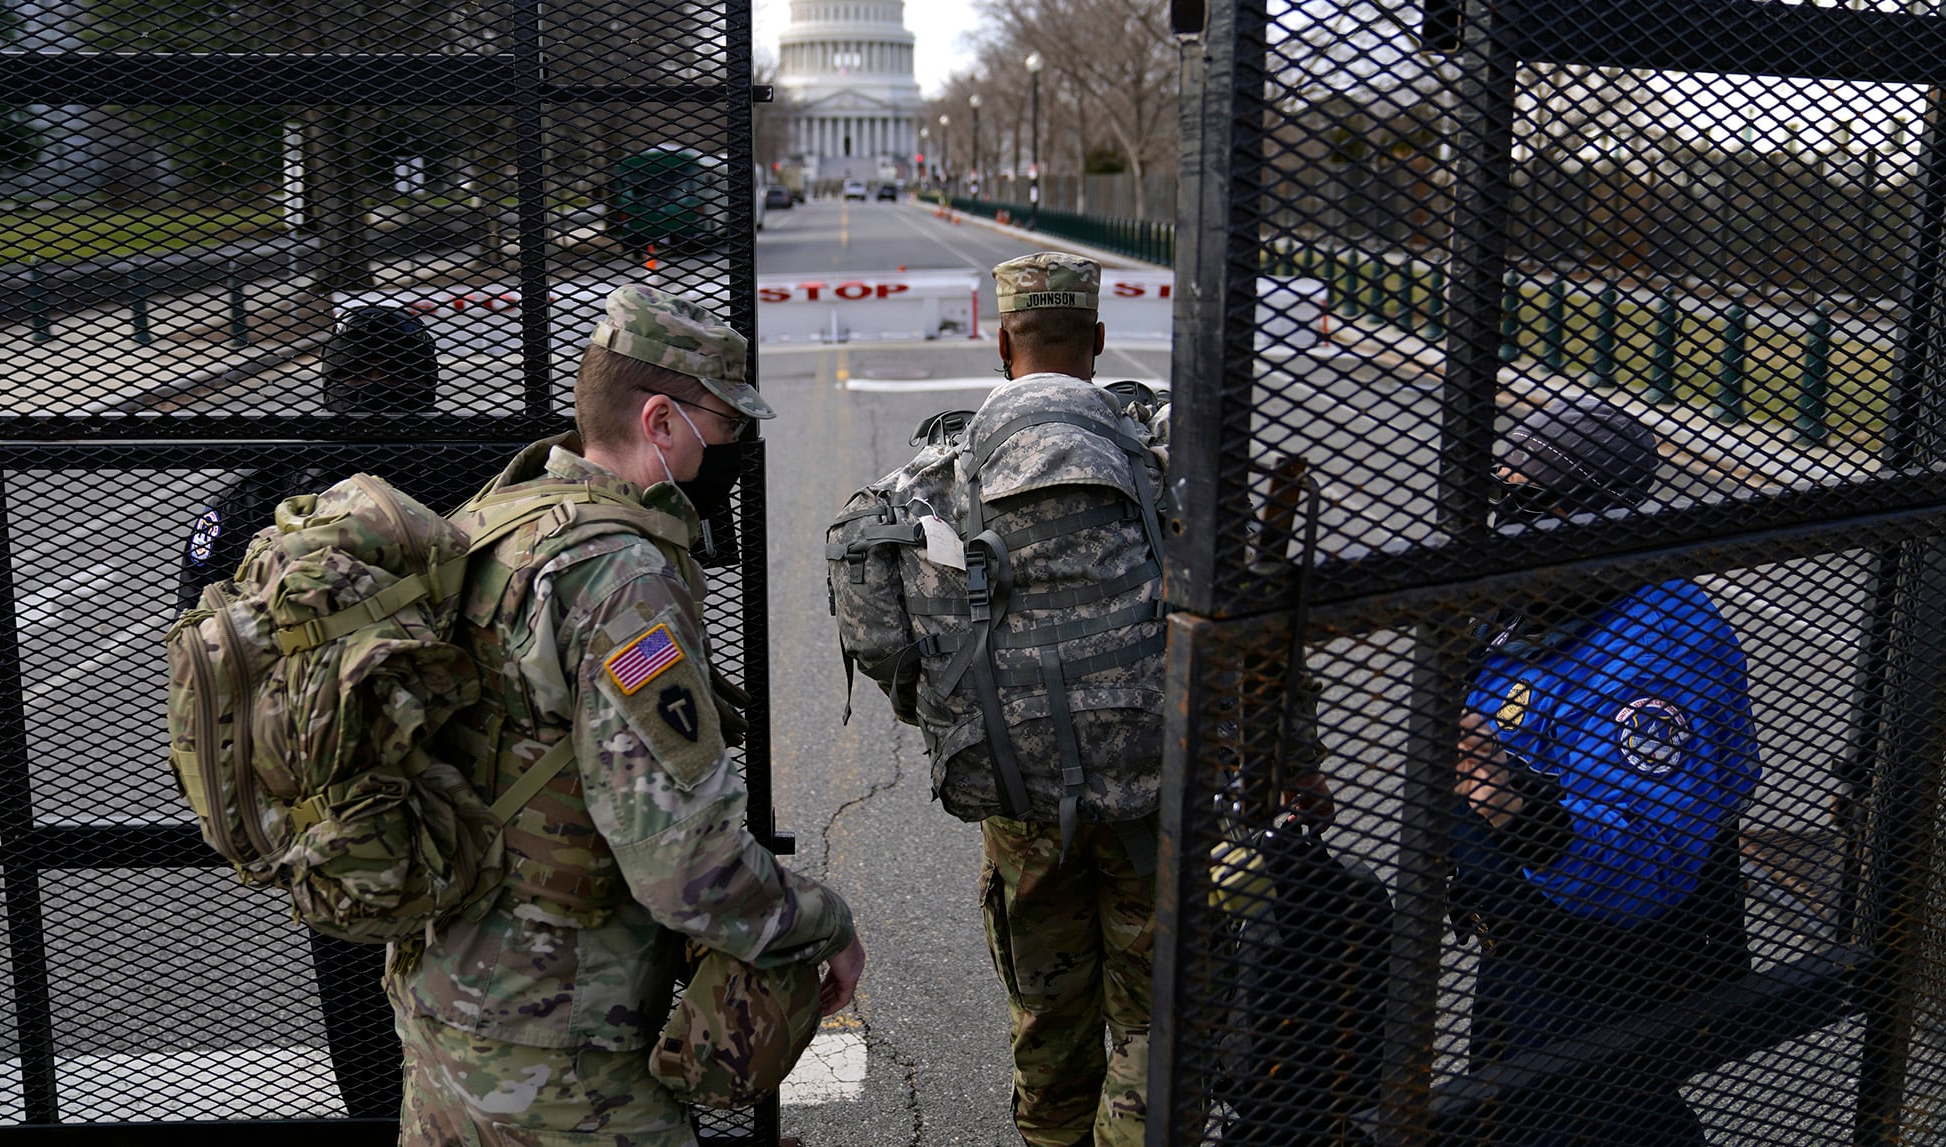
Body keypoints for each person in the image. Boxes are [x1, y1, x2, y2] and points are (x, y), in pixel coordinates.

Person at [828, 253, 1324, 1147]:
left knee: (1048, 1014)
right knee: (1154, 1019)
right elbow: (1261, 631)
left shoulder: (929, 483)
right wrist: (1294, 762)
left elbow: (877, 633)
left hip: (1019, 802)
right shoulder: (1175, 470)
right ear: (1097, 341)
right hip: (1161, 792)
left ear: (999, 340)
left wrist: (948, 711)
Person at [385, 282, 864, 1145]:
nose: (731, 452)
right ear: (661, 422)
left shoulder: (490, 523)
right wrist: (824, 922)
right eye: (724, 428)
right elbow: (685, 864)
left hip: (443, 1011)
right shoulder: (620, 580)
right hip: (560, 1052)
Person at [176, 303, 493, 1119]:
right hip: (484, 802)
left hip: (329, 813)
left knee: (364, 1044)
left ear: (330, 378)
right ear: (427, 380)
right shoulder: (485, 470)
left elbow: (201, 647)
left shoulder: (269, 488)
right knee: (495, 1031)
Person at [1454, 399, 1760, 1147]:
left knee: (1581, 1118)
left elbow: (1649, 864)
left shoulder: (1652, 647)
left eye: (1526, 499)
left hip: (1599, 969)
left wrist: (1518, 809)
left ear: (1581, 510)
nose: (1506, 517)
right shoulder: (1548, 597)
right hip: (1524, 944)